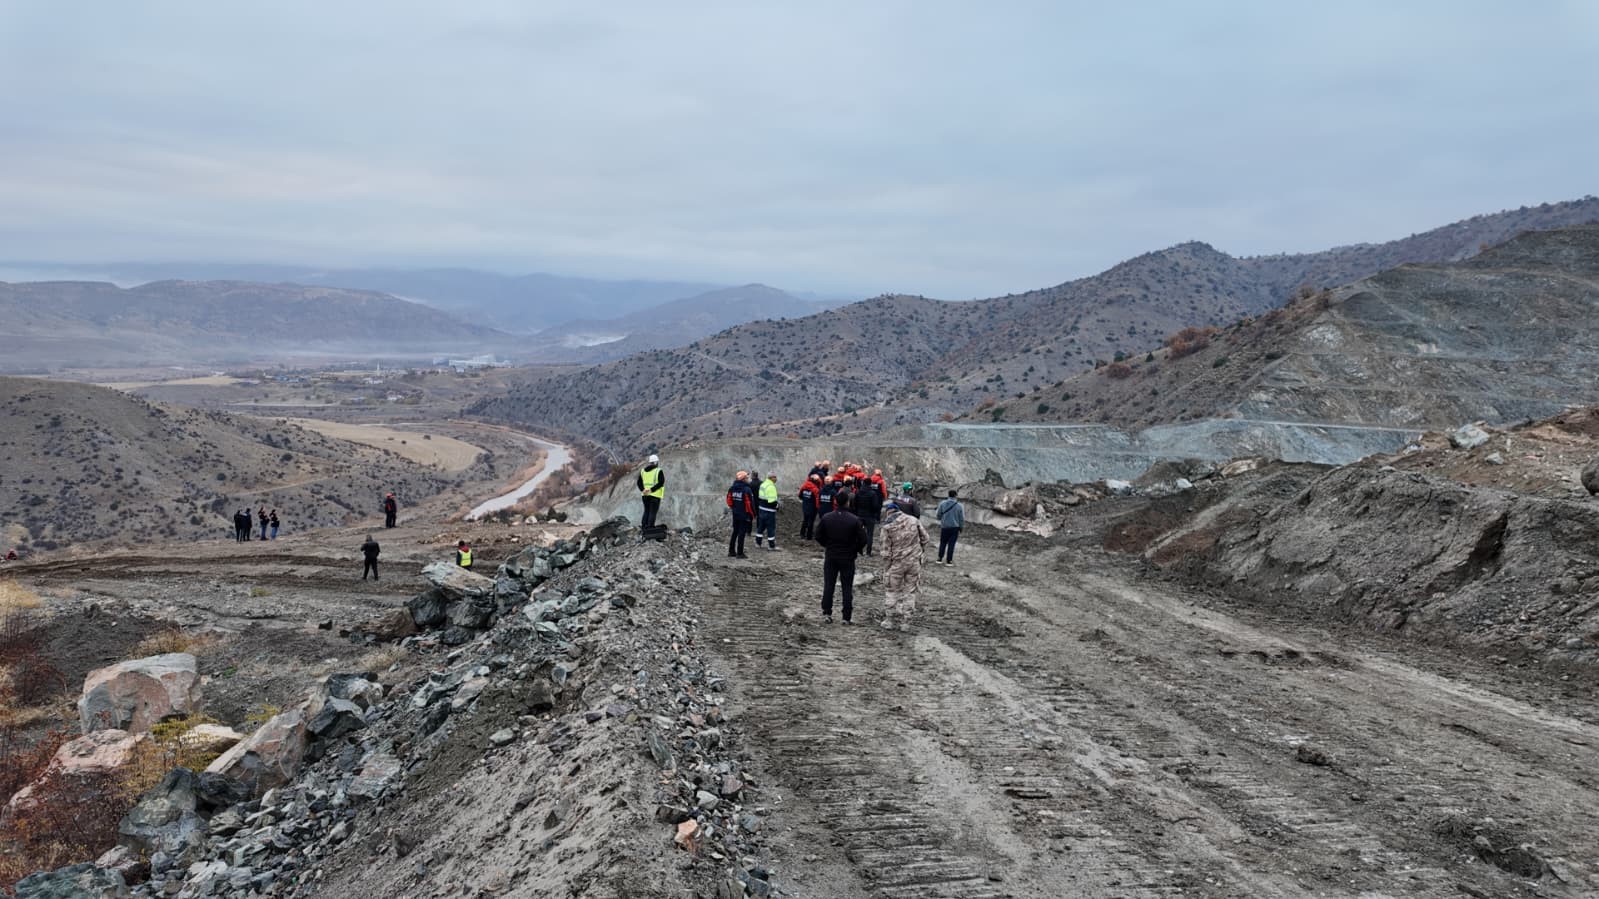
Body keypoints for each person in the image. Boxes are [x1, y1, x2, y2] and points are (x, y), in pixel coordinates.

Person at [814, 489, 867, 623]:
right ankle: (846, 617)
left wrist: (827, 545)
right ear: (848, 502)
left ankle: (827, 613)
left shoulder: (827, 517)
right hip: (848, 557)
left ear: (835, 502)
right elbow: (863, 539)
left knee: (829, 585)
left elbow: (818, 535)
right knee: (847, 587)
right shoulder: (854, 520)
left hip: (831, 556)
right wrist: (854, 549)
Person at [879, 501, 930, 631]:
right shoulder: (914, 520)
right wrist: (918, 551)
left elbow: (885, 552)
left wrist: (886, 569)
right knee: (910, 592)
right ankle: (906, 623)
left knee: (892, 591)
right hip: (914, 563)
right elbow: (926, 538)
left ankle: (889, 621)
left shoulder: (887, 526)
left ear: (888, 513)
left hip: (896, 564)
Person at [726, 471, 755, 558]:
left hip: (735, 514)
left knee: (735, 532)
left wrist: (734, 508)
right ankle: (740, 553)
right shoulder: (746, 489)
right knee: (742, 533)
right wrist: (752, 515)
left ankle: (731, 551)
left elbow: (729, 501)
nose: (748, 479)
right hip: (744, 515)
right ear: (743, 479)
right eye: (747, 478)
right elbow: (749, 504)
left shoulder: (732, 488)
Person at [854, 476, 883, 556]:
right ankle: (868, 552)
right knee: (869, 534)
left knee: (859, 533)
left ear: (863, 483)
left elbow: (855, 503)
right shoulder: (872, 493)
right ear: (870, 484)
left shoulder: (858, 492)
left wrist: (857, 512)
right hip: (870, 516)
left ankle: (859, 550)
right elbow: (875, 506)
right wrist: (876, 512)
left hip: (860, 515)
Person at [935, 489, 965, 566]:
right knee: (951, 544)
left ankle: (939, 559)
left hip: (944, 527)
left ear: (948, 495)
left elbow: (938, 515)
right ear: (955, 495)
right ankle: (949, 561)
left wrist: (942, 519)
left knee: (943, 542)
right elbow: (961, 519)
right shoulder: (959, 506)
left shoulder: (942, 503)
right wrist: (961, 527)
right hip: (954, 528)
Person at [637, 454, 665, 528]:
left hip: (645, 495)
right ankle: (650, 528)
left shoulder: (643, 471)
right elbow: (661, 482)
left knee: (646, 511)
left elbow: (639, 482)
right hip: (655, 495)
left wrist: (643, 490)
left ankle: (644, 526)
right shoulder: (658, 471)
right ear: (656, 462)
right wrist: (651, 490)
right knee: (652, 512)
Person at [756, 473, 780, 550]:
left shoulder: (763, 484)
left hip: (761, 509)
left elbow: (760, 497)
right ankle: (771, 546)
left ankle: (758, 543)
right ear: (771, 478)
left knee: (761, 527)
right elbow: (772, 501)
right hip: (769, 511)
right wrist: (777, 506)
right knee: (771, 528)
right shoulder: (771, 486)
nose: (776, 479)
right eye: (775, 477)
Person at [798, 473, 823, 540]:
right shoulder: (815, 489)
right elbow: (817, 499)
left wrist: (806, 500)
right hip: (812, 507)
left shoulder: (804, 486)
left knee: (805, 520)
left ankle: (802, 533)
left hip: (805, 506)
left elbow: (800, 496)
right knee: (811, 521)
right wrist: (818, 507)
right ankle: (809, 536)